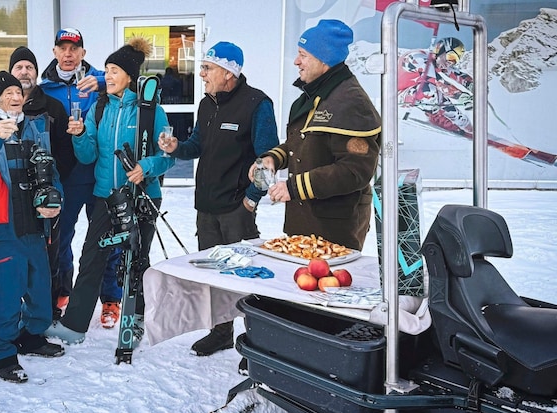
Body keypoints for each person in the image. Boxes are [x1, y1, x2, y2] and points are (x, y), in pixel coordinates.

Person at [45, 37, 175, 345]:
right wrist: (78, 136)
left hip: (142, 195)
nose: (108, 76)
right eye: (106, 70)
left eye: (114, 70)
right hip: (106, 195)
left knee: (137, 260)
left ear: (129, 76)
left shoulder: (150, 110)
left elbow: (168, 155)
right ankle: (75, 325)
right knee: (92, 257)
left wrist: (148, 166)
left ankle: (137, 321)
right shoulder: (100, 107)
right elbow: (88, 155)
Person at [160, 41, 279, 357]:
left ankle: (260, 341)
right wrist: (176, 147)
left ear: (229, 72)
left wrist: (253, 199)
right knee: (214, 275)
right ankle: (221, 332)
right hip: (207, 207)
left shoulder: (257, 105)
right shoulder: (206, 104)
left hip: (237, 208)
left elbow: (270, 158)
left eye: (207, 68)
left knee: (247, 276)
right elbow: (196, 146)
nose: (201, 74)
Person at [0, 70, 66, 384]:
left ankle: (30, 335)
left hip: (36, 223)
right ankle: (1, 351)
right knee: (5, 290)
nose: (16, 97)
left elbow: (52, 169)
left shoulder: (33, 125)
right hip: (3, 226)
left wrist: (54, 199)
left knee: (39, 285)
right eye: (8, 93)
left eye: (18, 92)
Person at [259, 19, 380, 254]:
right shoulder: (313, 95)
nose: (296, 62)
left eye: (303, 55)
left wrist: (295, 187)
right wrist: (273, 158)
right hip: (304, 223)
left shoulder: (351, 102)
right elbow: (303, 143)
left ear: (323, 59)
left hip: (335, 229)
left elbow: (355, 171)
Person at [40, 28, 125, 328]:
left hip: (101, 174)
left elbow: (132, 82)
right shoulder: (44, 87)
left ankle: (111, 298)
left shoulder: (102, 80)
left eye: (74, 49)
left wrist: (101, 81)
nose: (68, 54)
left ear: (83, 54)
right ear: (54, 52)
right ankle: (64, 289)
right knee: (62, 237)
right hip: (66, 177)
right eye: (62, 48)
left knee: (107, 238)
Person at [5, 46, 75, 323]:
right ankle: (18, 311)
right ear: (10, 73)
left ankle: (49, 308)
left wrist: (53, 184)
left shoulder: (52, 107)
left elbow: (66, 153)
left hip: (48, 195)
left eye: (29, 67)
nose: (24, 72)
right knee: (18, 258)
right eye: (19, 67)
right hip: (13, 198)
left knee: (51, 253)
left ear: (36, 72)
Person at [398, 37, 474, 134]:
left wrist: (473, 85)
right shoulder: (418, 58)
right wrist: (459, 95)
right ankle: (436, 116)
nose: (450, 63)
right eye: (451, 57)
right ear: (440, 49)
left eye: (455, 60)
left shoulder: (438, 61)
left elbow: (457, 74)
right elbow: (438, 82)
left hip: (416, 94)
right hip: (399, 97)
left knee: (444, 102)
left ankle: (469, 128)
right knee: (429, 89)